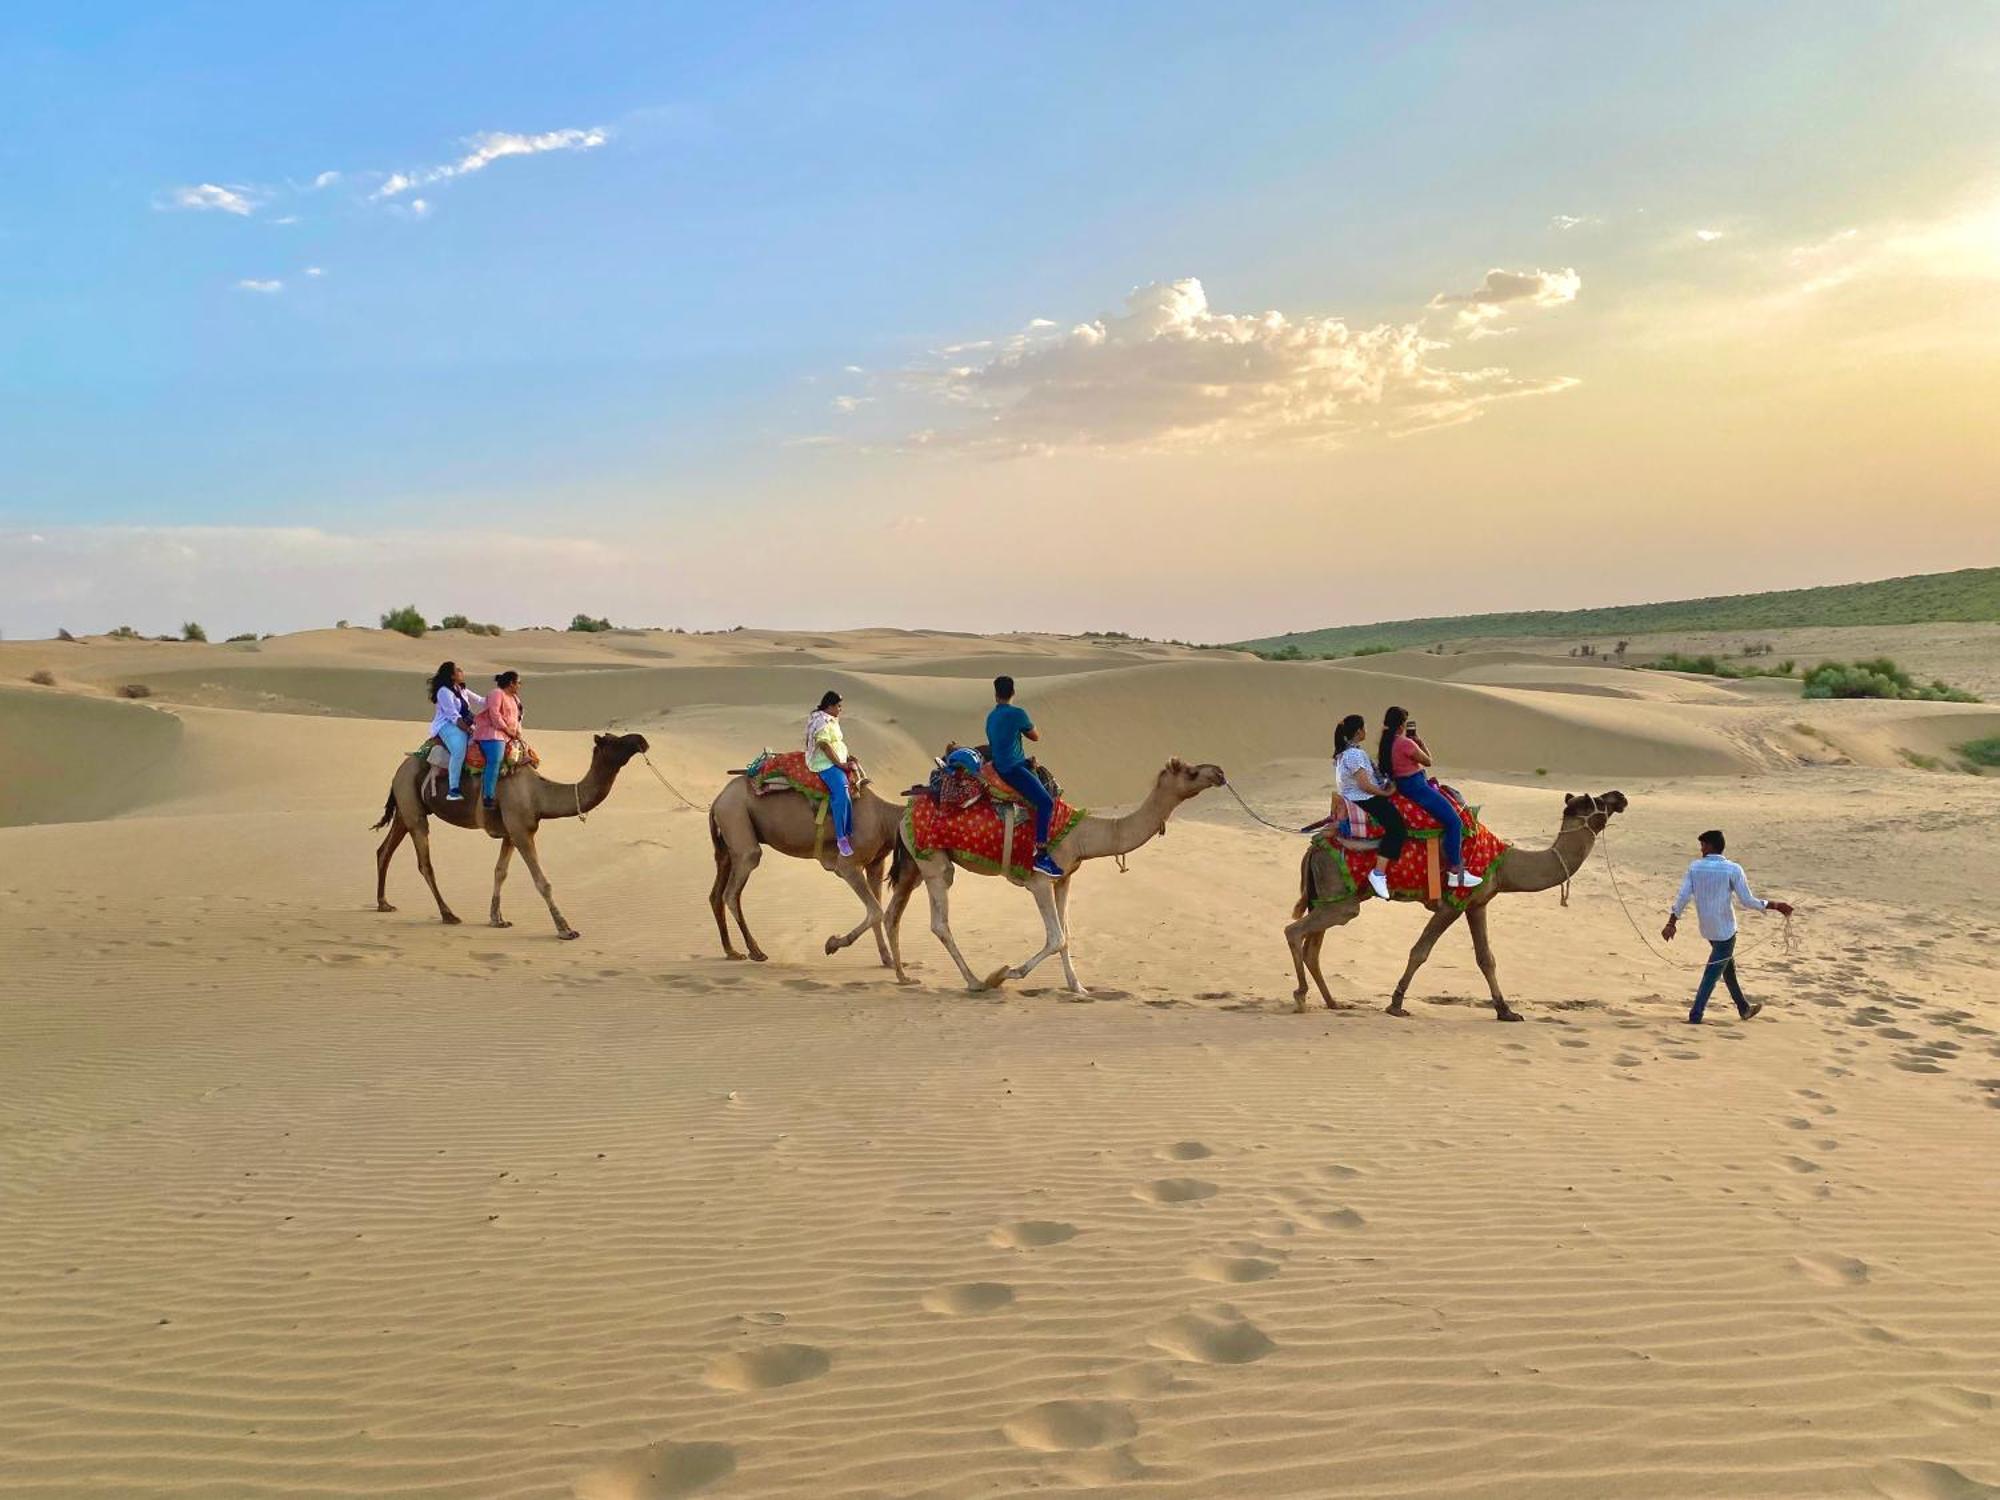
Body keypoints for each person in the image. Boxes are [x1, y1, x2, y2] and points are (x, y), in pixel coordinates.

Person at [1663, 829, 1793, 1024]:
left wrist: (1672, 922)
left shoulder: (1695, 867)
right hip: (1725, 931)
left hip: (1707, 929)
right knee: (1712, 973)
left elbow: (1683, 897)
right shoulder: (1733, 869)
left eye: (1702, 846)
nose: (1701, 850)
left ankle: (1744, 1008)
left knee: (1726, 967)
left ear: (1709, 846)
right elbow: (1747, 901)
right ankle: (1696, 1014)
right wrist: (1774, 905)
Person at [1381, 705, 1479, 889]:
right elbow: (1428, 761)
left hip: (1403, 786)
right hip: (1418, 788)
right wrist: (1419, 742)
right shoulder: (1405, 743)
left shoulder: (1386, 743)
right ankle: (1456, 871)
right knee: (1454, 822)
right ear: (1401, 725)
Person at [985, 675, 1064, 879]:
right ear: (1013, 693)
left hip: (1003, 764)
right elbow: (1035, 736)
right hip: (1012, 769)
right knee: (1046, 802)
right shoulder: (1018, 713)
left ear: (996, 695)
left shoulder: (991, 717)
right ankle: (1042, 856)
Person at [1332, 713, 1403, 901]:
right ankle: (1379, 874)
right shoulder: (1355, 754)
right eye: (1364, 728)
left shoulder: (1343, 754)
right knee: (1397, 827)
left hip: (1355, 798)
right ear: (1358, 731)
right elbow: (1364, 784)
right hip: (1364, 799)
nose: (1366, 731)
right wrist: (1385, 793)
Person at [805, 690, 861, 859]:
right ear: (829, 706)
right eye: (838, 706)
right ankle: (841, 838)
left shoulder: (831, 719)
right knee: (841, 794)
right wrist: (840, 764)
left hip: (837, 759)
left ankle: (849, 830)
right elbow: (824, 744)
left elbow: (836, 742)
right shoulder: (822, 721)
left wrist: (847, 757)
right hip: (825, 763)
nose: (840, 709)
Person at [426, 661, 485, 803]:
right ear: (452, 675)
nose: (461, 671)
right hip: (447, 725)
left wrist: (499, 699)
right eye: (457, 670)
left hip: (464, 723)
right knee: (459, 750)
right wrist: (469, 729)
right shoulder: (444, 692)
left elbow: (481, 700)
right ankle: (453, 789)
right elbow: (453, 716)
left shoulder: (461, 689)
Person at [471, 670, 524, 811]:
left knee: (526, 759)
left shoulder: (515, 699)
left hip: (509, 735)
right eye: (518, 683)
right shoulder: (497, 694)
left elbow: (518, 718)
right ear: (511, 683)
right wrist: (507, 729)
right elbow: (495, 714)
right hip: (492, 734)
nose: (520, 686)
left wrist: (517, 731)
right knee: (496, 759)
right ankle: (488, 796)